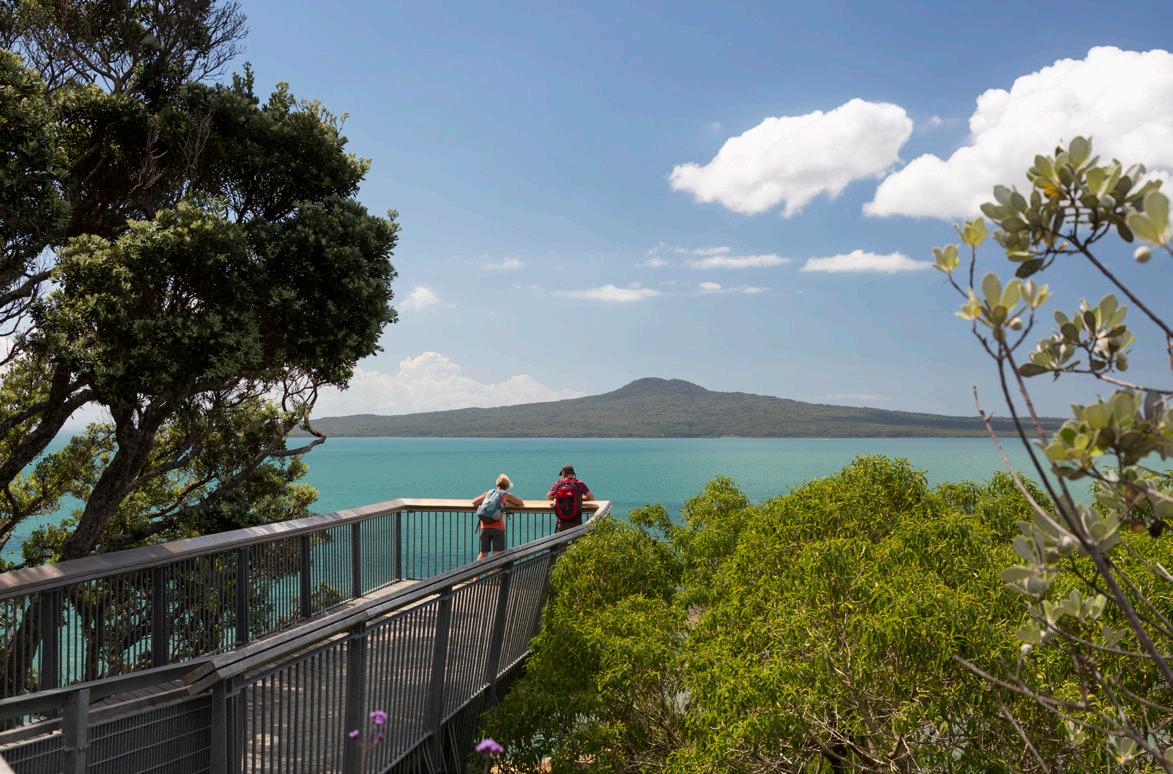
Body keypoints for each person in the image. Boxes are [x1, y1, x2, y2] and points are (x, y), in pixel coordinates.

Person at [472, 474, 525, 560]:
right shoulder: (505, 495)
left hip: (484, 527)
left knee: (483, 554)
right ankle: (495, 569)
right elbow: (520, 502)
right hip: (498, 528)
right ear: (507, 486)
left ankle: (476, 569)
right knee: (497, 555)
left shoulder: (488, 493)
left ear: (497, 484)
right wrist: (507, 504)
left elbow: (474, 502)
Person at [546, 464, 593, 532]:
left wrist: (559, 497)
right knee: (577, 539)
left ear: (563, 473)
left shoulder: (558, 484)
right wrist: (578, 498)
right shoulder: (579, 483)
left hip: (561, 522)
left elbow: (548, 497)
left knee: (561, 539)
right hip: (576, 522)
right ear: (573, 474)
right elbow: (591, 497)